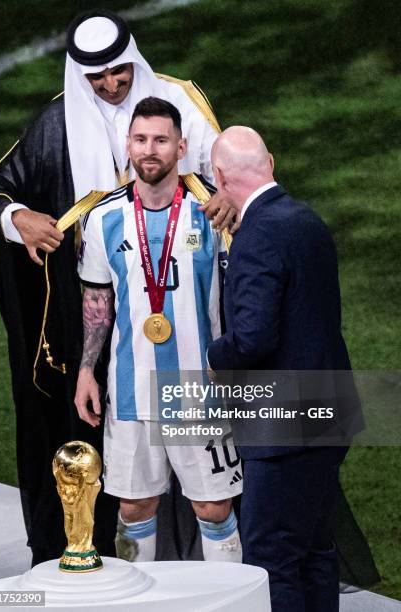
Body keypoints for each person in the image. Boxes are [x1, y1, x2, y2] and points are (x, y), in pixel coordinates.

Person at [0, 9, 234, 566]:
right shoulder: (57, 122)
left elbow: (237, 172)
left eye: (120, 72)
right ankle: (97, 561)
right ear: (80, 74)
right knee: (127, 483)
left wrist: (229, 194)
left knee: (215, 494)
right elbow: (0, 193)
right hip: (92, 301)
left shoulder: (179, 102)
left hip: (192, 310)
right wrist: (17, 218)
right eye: (98, 77)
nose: (112, 85)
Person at [75, 97, 243, 563]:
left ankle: (226, 601)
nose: (150, 150)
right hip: (130, 391)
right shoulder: (102, 218)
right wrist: (87, 370)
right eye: (141, 139)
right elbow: (97, 302)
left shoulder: (213, 211)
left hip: (201, 389)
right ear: (128, 145)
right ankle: (136, 599)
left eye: (161, 140)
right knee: (134, 507)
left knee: (213, 507)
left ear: (181, 147)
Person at [207, 126, 365, 611]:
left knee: (272, 560)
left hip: (283, 431)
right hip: (327, 414)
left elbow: (254, 337)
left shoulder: (257, 235)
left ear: (218, 177)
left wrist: (217, 357)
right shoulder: (307, 220)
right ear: (269, 163)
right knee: (315, 550)